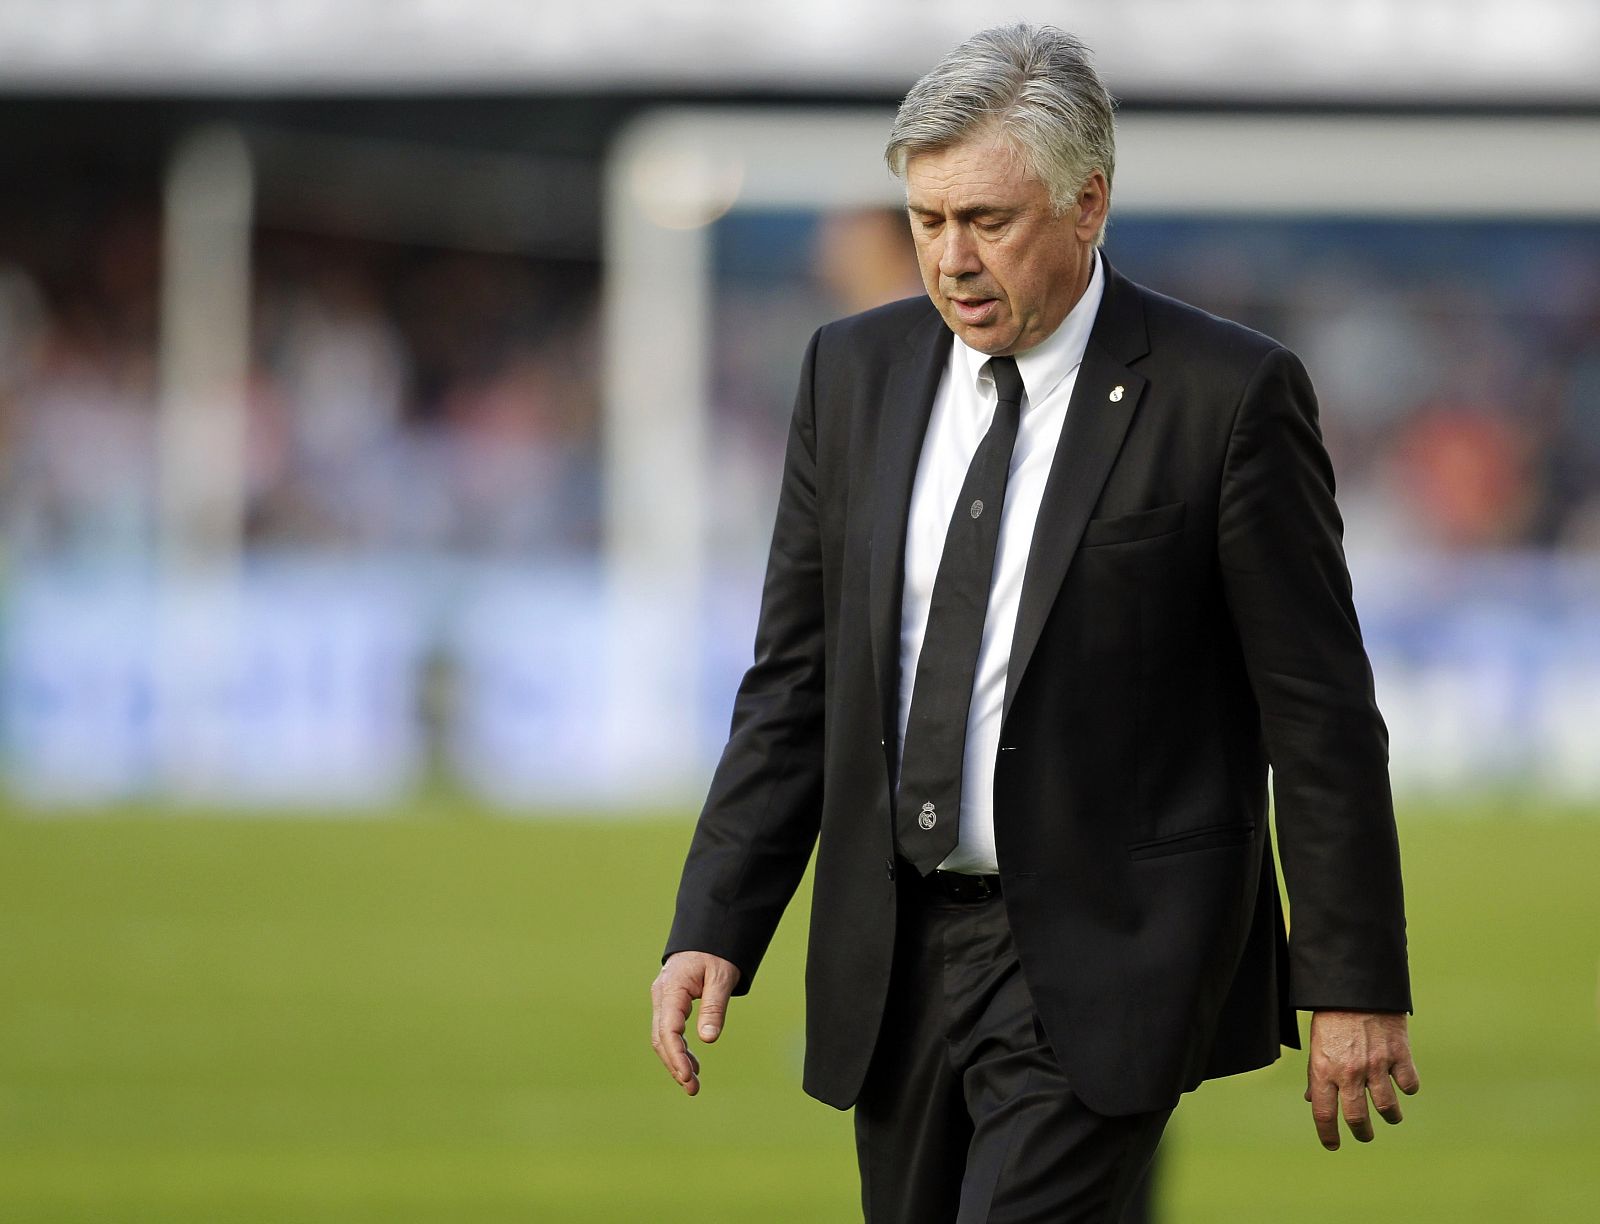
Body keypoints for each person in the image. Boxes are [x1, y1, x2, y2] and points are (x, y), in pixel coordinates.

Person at [650, 23, 1419, 1223]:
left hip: (1108, 950)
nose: (950, 259)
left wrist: (1353, 981)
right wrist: (715, 920)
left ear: (1087, 203)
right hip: (894, 952)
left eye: (987, 222)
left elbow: (1316, 714)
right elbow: (795, 684)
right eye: (925, 221)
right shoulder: (848, 374)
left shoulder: (1225, 395)